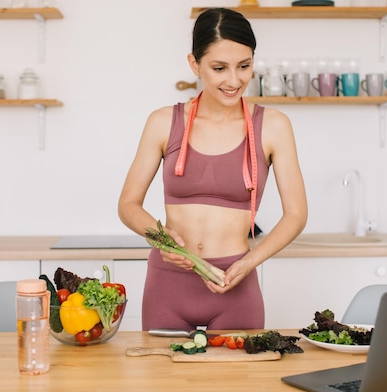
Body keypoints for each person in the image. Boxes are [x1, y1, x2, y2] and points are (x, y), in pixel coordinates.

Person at [118, 8, 307, 331]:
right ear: (194, 64)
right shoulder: (164, 122)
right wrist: (161, 239)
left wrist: (248, 263)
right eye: (219, 68)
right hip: (168, 286)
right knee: (164, 381)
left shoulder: (273, 126)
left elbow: (296, 215)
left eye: (244, 66)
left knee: (236, 383)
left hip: (235, 283)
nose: (234, 81)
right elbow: (128, 204)